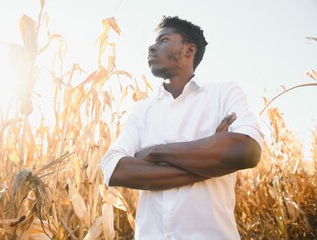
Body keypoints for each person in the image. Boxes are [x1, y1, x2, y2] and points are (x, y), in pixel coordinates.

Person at [100, 16, 264, 239]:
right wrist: (212, 160)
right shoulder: (141, 111)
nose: (152, 47)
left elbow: (247, 150)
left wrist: (154, 152)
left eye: (163, 39)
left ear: (189, 50)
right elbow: (113, 169)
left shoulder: (223, 94)